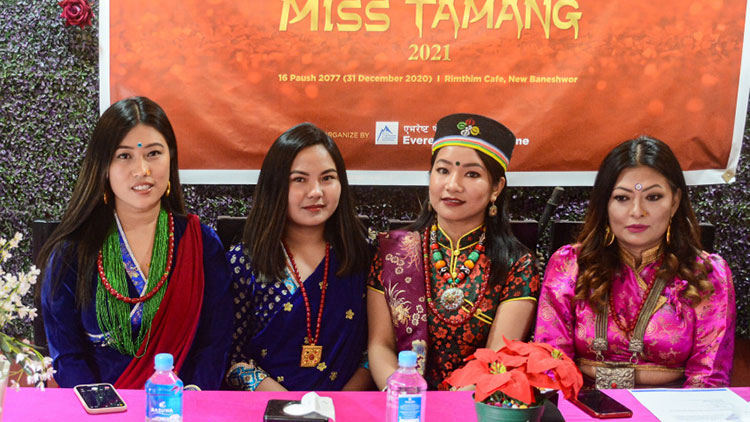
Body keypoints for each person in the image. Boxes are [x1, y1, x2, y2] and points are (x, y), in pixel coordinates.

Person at [39, 96, 232, 389]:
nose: (142, 169)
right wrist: (105, 407)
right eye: (124, 156)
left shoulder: (201, 244)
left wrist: (188, 402)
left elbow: (215, 344)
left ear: (171, 158)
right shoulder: (72, 252)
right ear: (103, 166)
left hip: (183, 405)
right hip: (99, 407)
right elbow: (67, 356)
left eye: (153, 153)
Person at [535, 136, 735, 388]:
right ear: (605, 203)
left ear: (674, 202)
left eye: (653, 197)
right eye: (622, 198)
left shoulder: (706, 273)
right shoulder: (571, 264)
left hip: (674, 406)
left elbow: (708, 377)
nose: (637, 211)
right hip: (579, 402)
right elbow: (551, 361)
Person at [367, 113, 540, 390]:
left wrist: (451, 406)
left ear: (496, 187)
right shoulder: (393, 252)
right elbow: (379, 345)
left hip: (473, 404)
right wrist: (403, 395)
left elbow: (497, 359)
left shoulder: (516, 264)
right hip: (403, 402)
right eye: (443, 170)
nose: (452, 185)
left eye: (472, 174)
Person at [225, 123, 372, 391]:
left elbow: (376, 350)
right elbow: (231, 357)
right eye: (299, 179)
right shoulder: (244, 262)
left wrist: (340, 405)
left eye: (327, 178)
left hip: (348, 407)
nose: (316, 192)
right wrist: (288, 405)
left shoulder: (364, 257)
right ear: (275, 186)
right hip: (267, 407)